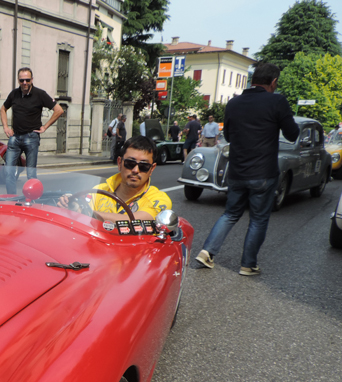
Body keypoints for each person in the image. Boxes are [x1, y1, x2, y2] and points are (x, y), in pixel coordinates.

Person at [195, 62, 299, 276]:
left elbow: (229, 136)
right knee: (258, 219)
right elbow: (292, 134)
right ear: (273, 82)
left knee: (230, 213)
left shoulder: (233, 103)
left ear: (253, 80)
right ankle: (248, 264)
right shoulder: (277, 101)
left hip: (237, 171)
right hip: (263, 173)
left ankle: (207, 251)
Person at [59, 135, 171, 220]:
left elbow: (133, 221)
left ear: (152, 169)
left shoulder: (159, 199)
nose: (135, 170)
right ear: (119, 163)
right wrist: (71, 203)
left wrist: (87, 213)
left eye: (144, 166)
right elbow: (81, 208)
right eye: (130, 163)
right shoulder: (100, 190)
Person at [0, 67, 63, 192]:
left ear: (32, 80)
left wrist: (45, 127)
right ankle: (11, 199)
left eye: (27, 80)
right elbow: (3, 109)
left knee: (31, 174)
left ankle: (32, 200)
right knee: (8, 172)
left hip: (31, 137)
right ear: (18, 80)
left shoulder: (40, 94)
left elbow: (59, 110)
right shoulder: (14, 94)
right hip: (15, 137)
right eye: (22, 80)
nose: (24, 83)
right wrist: (6, 127)